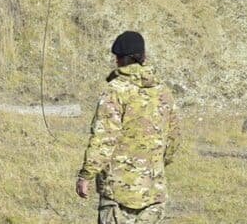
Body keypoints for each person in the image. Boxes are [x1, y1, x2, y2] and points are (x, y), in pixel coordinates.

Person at [76, 31, 180, 223]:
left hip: (118, 193)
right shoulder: (163, 91)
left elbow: (104, 139)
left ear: (119, 60)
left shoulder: (115, 91)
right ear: (143, 57)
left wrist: (86, 175)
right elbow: (173, 139)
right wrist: (155, 167)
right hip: (153, 192)